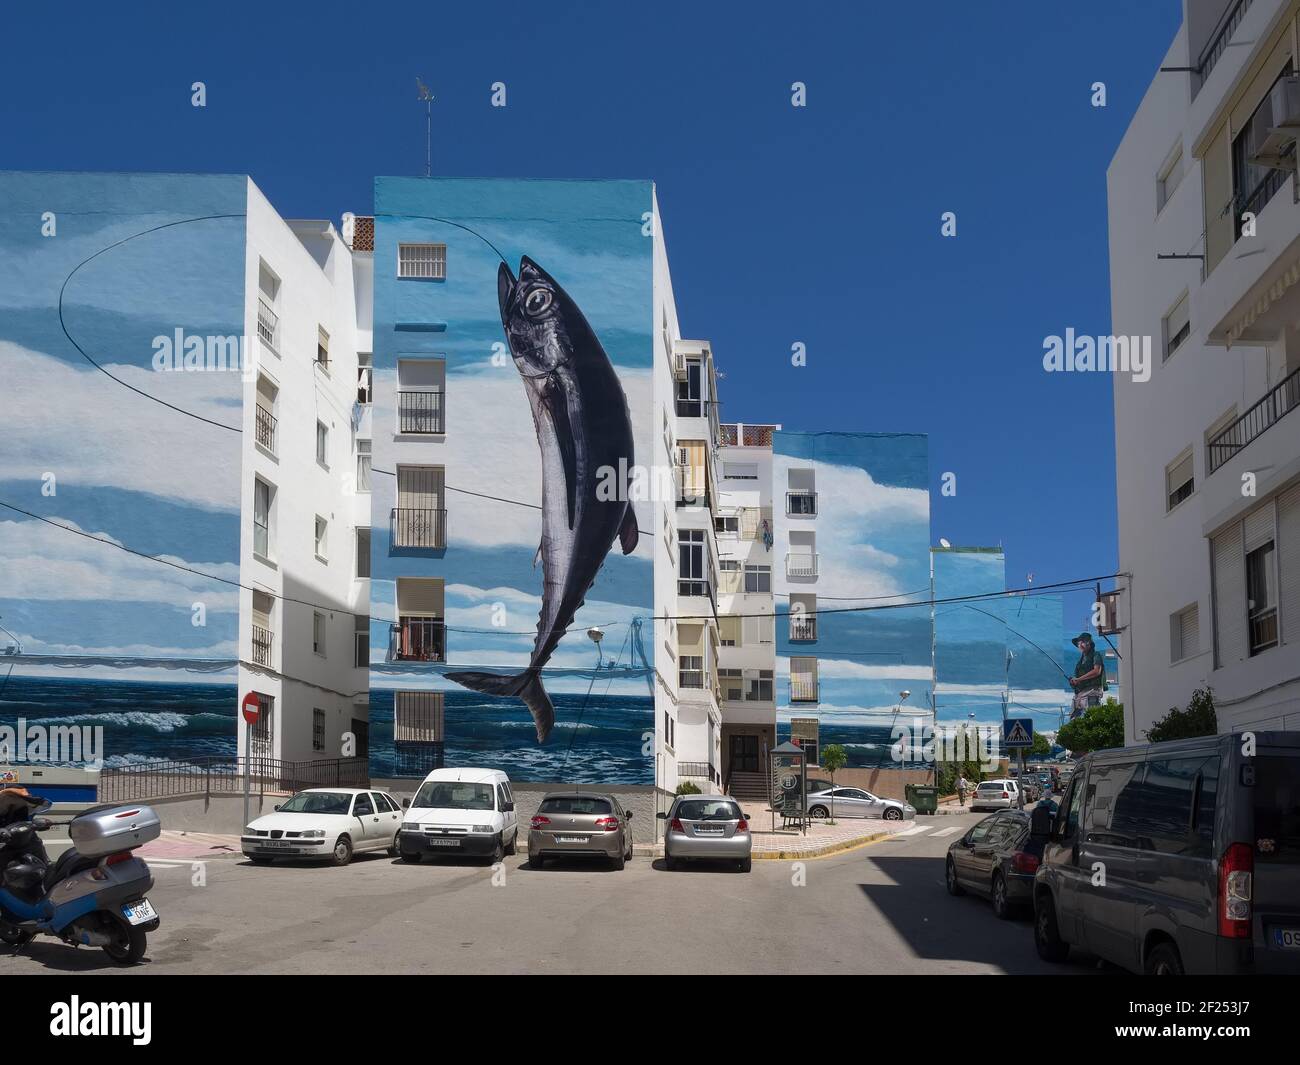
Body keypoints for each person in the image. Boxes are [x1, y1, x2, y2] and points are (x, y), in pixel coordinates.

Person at [1068, 631, 1107, 719]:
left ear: (1089, 644)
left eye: (1083, 642)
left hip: (1093, 692)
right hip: (1080, 694)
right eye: (1079, 643)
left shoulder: (1096, 655)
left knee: (1091, 718)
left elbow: (1097, 671)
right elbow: (1078, 681)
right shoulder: (1080, 662)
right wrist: (1074, 682)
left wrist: (1078, 679)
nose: (1080, 645)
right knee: (1074, 719)